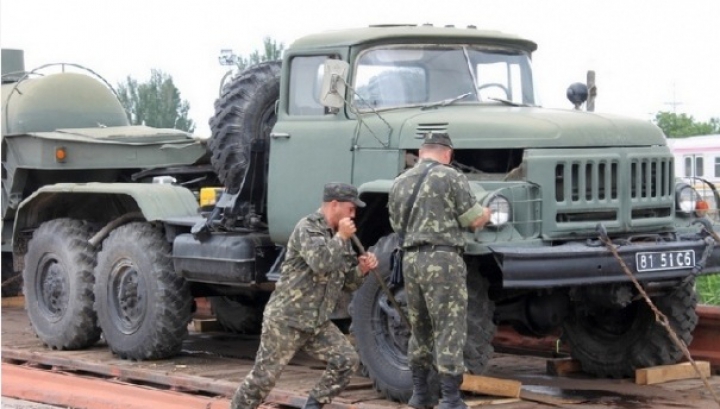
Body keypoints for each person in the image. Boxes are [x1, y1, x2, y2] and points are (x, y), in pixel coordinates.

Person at [231, 182, 379, 409]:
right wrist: (340, 237)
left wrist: (362, 270)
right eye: (350, 208)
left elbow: (347, 283)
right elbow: (321, 263)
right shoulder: (308, 228)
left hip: (315, 322)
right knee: (263, 378)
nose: (354, 214)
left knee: (346, 361)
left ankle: (313, 405)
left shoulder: (340, 237)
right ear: (335, 205)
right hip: (287, 319)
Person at [388, 132, 492, 409]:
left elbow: (396, 224)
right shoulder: (451, 177)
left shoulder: (399, 182)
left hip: (410, 260)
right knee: (449, 326)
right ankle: (450, 398)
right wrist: (487, 214)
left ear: (422, 152)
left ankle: (420, 394)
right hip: (443, 260)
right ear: (447, 154)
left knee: (419, 327)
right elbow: (471, 218)